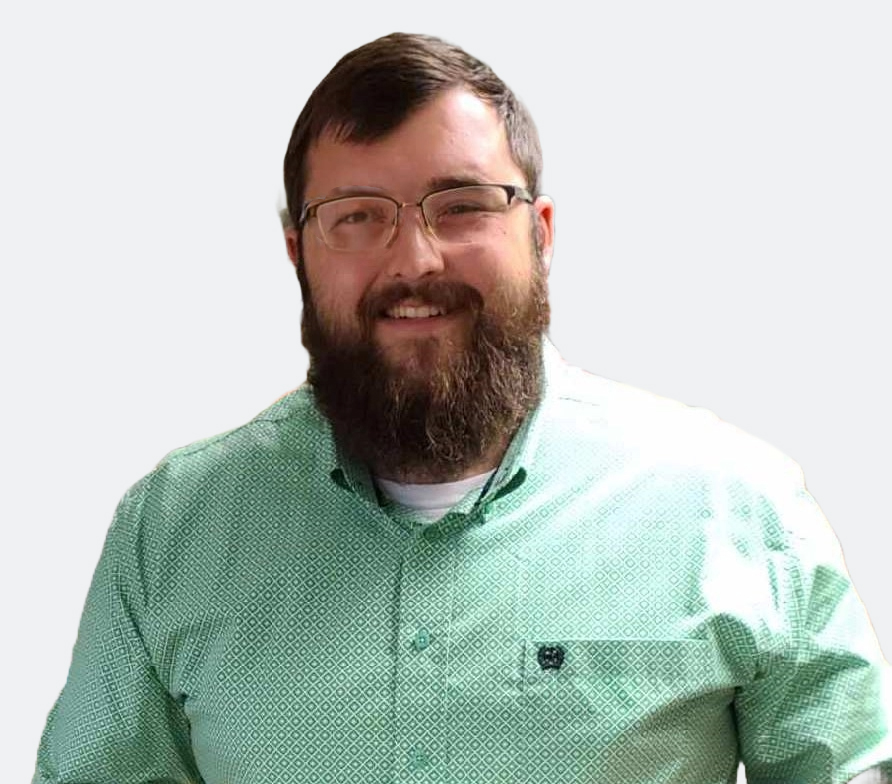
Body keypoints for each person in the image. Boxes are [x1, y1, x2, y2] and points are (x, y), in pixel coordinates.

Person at [33, 32, 891, 784]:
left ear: (541, 233)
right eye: (357, 217)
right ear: (297, 253)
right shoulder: (173, 530)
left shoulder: (736, 510)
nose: (415, 259)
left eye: (462, 206)